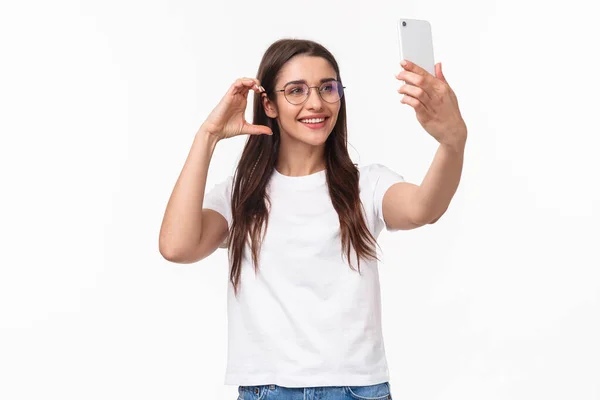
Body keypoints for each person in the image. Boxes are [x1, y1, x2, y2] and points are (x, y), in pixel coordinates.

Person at [159, 38, 467, 400]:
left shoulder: (366, 185)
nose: (316, 102)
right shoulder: (241, 194)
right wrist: (207, 136)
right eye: (296, 90)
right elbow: (176, 247)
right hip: (267, 390)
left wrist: (453, 141)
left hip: (356, 389)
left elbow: (423, 209)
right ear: (269, 105)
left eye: (327, 88)